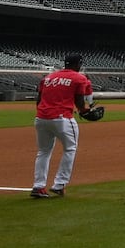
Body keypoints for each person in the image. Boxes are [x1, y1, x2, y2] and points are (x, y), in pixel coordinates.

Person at [31, 53, 96, 198]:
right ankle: (59, 184)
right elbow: (79, 102)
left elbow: (39, 100)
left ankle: (38, 186)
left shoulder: (49, 77)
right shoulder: (79, 78)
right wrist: (85, 111)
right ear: (78, 63)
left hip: (41, 118)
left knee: (43, 152)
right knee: (70, 149)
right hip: (62, 118)